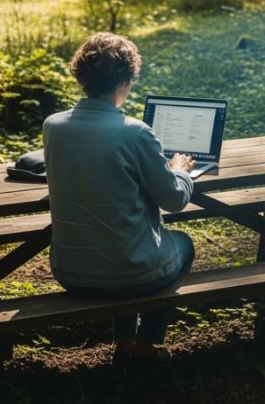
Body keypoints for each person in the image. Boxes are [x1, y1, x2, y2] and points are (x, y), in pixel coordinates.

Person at [43, 32, 196, 368]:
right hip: (131, 275)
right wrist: (180, 170)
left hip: (69, 272)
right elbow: (173, 200)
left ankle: (124, 341)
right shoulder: (135, 131)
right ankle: (145, 345)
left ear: (81, 76)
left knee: (115, 240)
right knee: (183, 243)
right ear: (125, 81)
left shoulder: (53, 126)